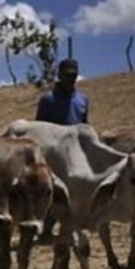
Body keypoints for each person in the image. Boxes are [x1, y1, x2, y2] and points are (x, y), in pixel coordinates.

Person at [35, 58, 89, 240]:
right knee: (53, 190)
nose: (71, 79)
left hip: (76, 153)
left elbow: (85, 126)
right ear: (59, 75)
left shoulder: (82, 100)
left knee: (74, 190)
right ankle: (46, 228)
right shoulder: (48, 100)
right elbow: (39, 128)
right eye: (67, 75)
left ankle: (70, 226)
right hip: (54, 153)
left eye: (74, 75)